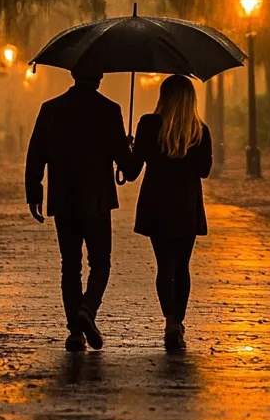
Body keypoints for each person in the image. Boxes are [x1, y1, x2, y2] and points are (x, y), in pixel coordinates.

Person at [25, 68, 138, 352]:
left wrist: (34, 193)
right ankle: (87, 308)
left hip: (63, 199)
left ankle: (76, 333)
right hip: (97, 202)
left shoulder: (51, 109)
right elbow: (129, 169)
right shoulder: (109, 111)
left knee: (70, 265)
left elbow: (36, 155)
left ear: (73, 75)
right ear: (99, 77)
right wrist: (131, 148)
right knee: (100, 262)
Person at [132, 74, 213, 351]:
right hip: (186, 204)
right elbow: (204, 170)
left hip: (157, 204)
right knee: (182, 265)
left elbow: (132, 171)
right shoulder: (199, 131)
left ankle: (169, 320)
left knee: (164, 265)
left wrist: (131, 146)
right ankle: (178, 321)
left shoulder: (148, 124)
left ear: (163, 97)